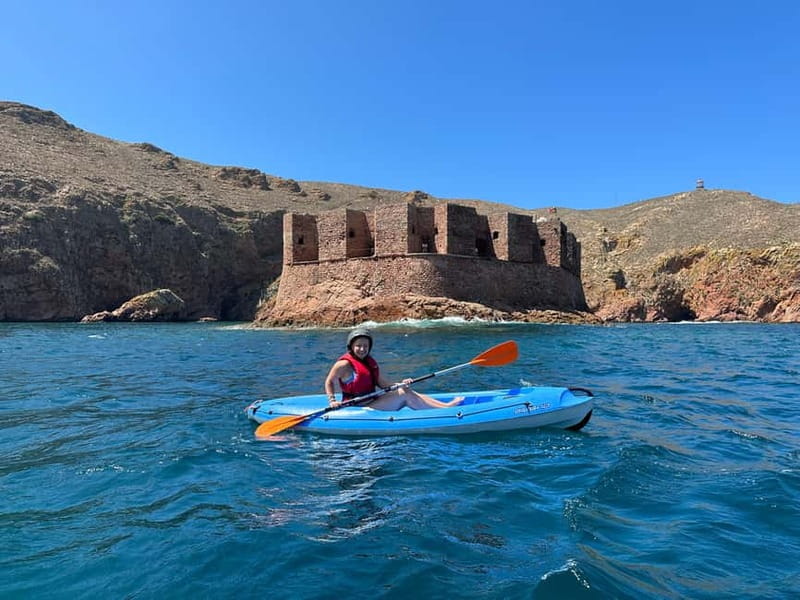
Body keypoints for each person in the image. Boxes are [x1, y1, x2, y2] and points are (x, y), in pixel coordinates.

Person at [324, 328, 463, 410]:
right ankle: (445, 410)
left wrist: (402, 383)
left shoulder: (368, 363)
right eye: (358, 346)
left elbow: (384, 385)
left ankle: (445, 406)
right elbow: (329, 381)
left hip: (372, 402)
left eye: (365, 346)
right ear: (351, 346)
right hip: (358, 408)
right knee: (404, 395)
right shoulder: (344, 365)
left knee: (405, 389)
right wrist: (332, 401)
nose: (362, 349)